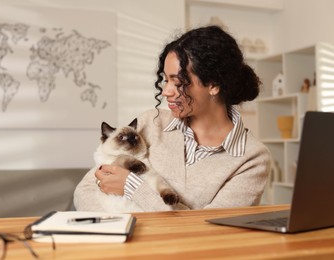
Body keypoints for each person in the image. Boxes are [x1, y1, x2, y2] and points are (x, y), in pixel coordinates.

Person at [74, 26, 271, 211]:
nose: (166, 92)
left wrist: (133, 187)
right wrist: (116, 227)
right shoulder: (151, 123)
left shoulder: (252, 158)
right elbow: (84, 192)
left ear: (213, 84)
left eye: (177, 82)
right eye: (165, 80)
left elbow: (213, 229)